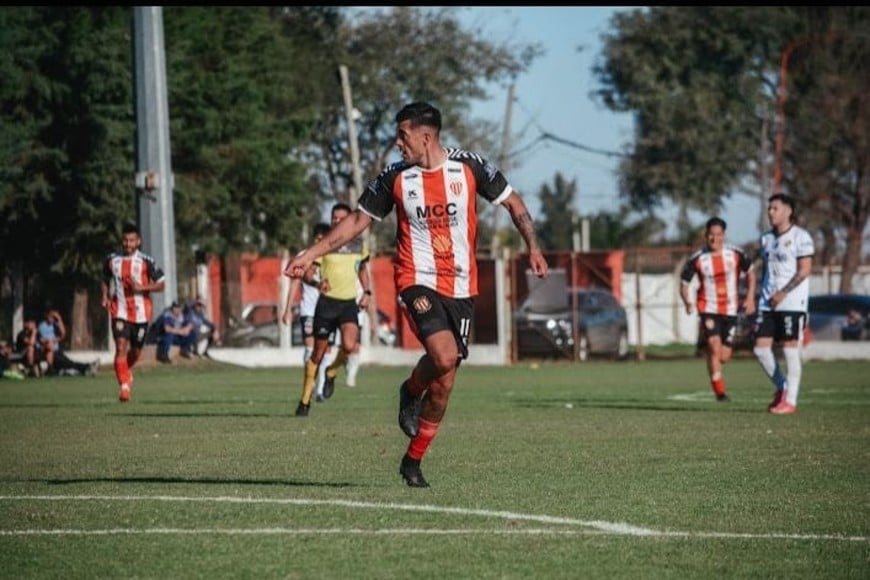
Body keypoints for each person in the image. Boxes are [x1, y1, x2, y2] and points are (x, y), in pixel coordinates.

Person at [285, 102, 548, 487]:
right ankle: (410, 390)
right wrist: (309, 254)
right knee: (443, 354)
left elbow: (514, 202)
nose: (397, 143)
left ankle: (412, 461)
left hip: (461, 285)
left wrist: (534, 247)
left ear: (426, 136)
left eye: (402, 136)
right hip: (415, 278)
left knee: (444, 382)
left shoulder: (471, 167)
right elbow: (357, 221)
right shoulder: (395, 177)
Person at [288, 203, 371, 417]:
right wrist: (316, 283)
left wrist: (367, 293)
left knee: (350, 345)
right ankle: (305, 400)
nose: (336, 221)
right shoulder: (323, 244)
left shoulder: (358, 245)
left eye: (341, 218)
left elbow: (363, 269)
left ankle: (332, 371)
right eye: (334, 218)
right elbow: (308, 272)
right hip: (326, 305)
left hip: (348, 303)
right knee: (317, 352)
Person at [680, 217, 756, 401]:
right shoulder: (698, 258)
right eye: (711, 235)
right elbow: (683, 283)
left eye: (718, 235)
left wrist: (750, 297)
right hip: (708, 307)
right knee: (714, 346)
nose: (715, 239)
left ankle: (715, 368)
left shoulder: (736, 254)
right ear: (706, 236)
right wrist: (688, 302)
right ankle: (720, 391)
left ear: (724, 235)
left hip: (730, 309)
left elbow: (751, 272)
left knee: (723, 356)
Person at [753, 193, 814, 415]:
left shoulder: (801, 237)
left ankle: (791, 400)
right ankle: (782, 386)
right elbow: (763, 267)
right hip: (767, 303)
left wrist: (783, 292)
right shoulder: (766, 239)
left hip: (792, 302)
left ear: (788, 211)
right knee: (760, 349)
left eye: (775, 208)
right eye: (769, 208)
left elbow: (805, 270)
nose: (771, 212)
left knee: (789, 349)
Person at [101, 222, 166, 402]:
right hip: (119, 309)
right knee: (121, 346)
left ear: (138, 241)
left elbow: (161, 284)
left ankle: (125, 372)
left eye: (131, 240)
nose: (128, 244)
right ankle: (124, 387)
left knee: (135, 352)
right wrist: (105, 296)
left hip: (141, 312)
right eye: (125, 240)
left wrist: (143, 286)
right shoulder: (112, 260)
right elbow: (104, 278)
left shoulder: (146, 261)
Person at [282, 222, 334, 401]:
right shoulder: (304, 256)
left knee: (326, 350)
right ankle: (309, 385)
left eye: (323, 237)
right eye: (317, 237)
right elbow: (295, 281)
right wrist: (287, 309)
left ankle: (320, 390)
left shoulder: (332, 256)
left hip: (328, 309)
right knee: (310, 347)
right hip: (309, 309)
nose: (320, 239)